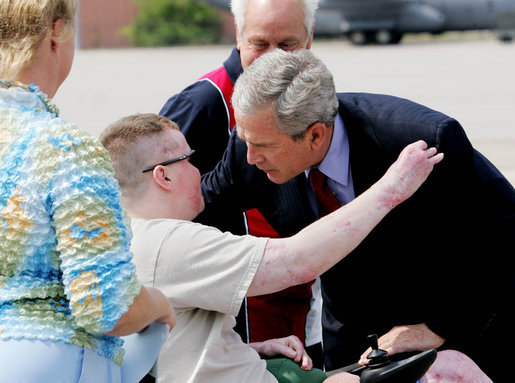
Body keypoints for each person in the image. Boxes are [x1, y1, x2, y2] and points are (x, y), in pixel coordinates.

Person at [201, 49, 515, 382]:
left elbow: (505, 233)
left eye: (262, 145)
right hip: (353, 337)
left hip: (453, 326)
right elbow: (191, 215)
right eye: (246, 140)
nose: (251, 157)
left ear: (316, 135)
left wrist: (439, 326)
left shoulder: (421, 138)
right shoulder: (247, 149)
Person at [100, 113, 443, 383]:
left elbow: (164, 347)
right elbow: (296, 262)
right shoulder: (167, 242)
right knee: (443, 371)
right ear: (164, 176)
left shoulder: (126, 239)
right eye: (188, 159)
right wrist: (392, 188)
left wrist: (251, 349)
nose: (197, 169)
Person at [0, 1, 174, 381]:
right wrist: (160, 304)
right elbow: (108, 307)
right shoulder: (64, 150)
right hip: (48, 361)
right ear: (57, 32)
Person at [159, 0, 324, 362]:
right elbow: (152, 222)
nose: (272, 60)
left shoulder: (307, 99)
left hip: (303, 317)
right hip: (241, 334)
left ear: (310, 37)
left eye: (288, 45)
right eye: (260, 44)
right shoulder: (203, 104)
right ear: (237, 35)